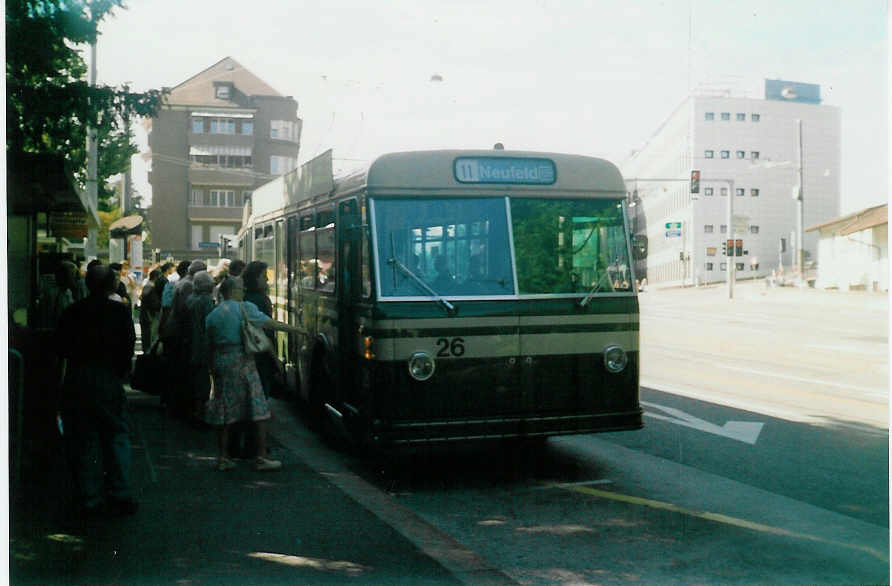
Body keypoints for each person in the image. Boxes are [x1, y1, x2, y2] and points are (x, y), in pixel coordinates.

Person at [55, 264, 137, 516]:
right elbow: (128, 345)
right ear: (112, 285)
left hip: (78, 377)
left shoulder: (72, 311)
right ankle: (119, 493)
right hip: (107, 377)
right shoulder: (120, 312)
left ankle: (90, 496)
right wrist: (121, 372)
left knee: (83, 437)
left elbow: (61, 347)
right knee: (115, 434)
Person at [204, 277, 300, 471]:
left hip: (221, 362)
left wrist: (211, 369)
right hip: (243, 361)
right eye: (241, 288)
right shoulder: (244, 308)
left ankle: (223, 457)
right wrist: (299, 330)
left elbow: (209, 345)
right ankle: (261, 457)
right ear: (234, 290)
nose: (244, 290)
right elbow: (270, 324)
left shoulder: (213, 315)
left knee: (224, 410)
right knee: (258, 409)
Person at [242, 261, 280, 397]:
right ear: (255, 278)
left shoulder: (246, 297)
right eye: (264, 276)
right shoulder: (258, 300)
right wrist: (275, 359)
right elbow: (265, 331)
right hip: (260, 353)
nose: (267, 280)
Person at [185, 271, 215, 423]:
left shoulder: (190, 299)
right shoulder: (206, 301)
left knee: (194, 380)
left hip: (190, 343)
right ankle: (200, 414)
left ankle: (194, 412)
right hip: (201, 345)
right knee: (202, 383)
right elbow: (210, 325)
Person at [139, 269, 162, 352]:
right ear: (156, 277)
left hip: (145, 316)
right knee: (148, 339)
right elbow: (153, 304)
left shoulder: (147, 286)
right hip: (149, 317)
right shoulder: (151, 287)